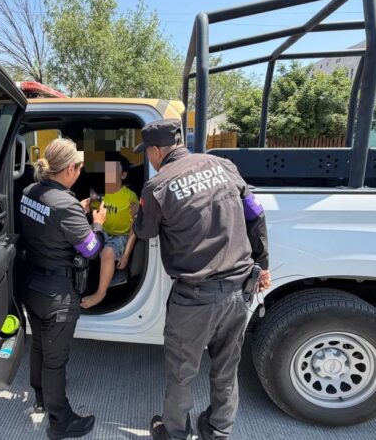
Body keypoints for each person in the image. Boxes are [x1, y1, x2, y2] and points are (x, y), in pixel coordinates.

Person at [131, 119, 270, 440]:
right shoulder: (224, 166)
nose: (149, 159)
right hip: (238, 291)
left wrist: (138, 215)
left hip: (194, 298)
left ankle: (175, 431)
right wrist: (263, 264)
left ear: (156, 150)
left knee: (182, 372)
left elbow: (145, 231)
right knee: (226, 368)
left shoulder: (158, 186)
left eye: (147, 153)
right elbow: (255, 213)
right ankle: (219, 429)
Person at [18, 137, 108, 440]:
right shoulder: (65, 204)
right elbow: (91, 249)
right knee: (55, 360)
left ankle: (41, 398)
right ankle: (61, 421)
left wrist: (76, 212)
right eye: (80, 167)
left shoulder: (30, 191)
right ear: (70, 168)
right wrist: (97, 223)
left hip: (31, 283)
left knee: (39, 346)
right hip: (57, 292)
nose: (80, 172)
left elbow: (48, 222)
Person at [81, 152, 139, 309]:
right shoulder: (100, 194)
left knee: (108, 251)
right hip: (103, 232)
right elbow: (93, 216)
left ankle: (100, 294)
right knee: (80, 240)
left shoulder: (130, 197)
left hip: (121, 236)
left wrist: (126, 255)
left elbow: (134, 227)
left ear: (123, 175)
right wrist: (85, 209)